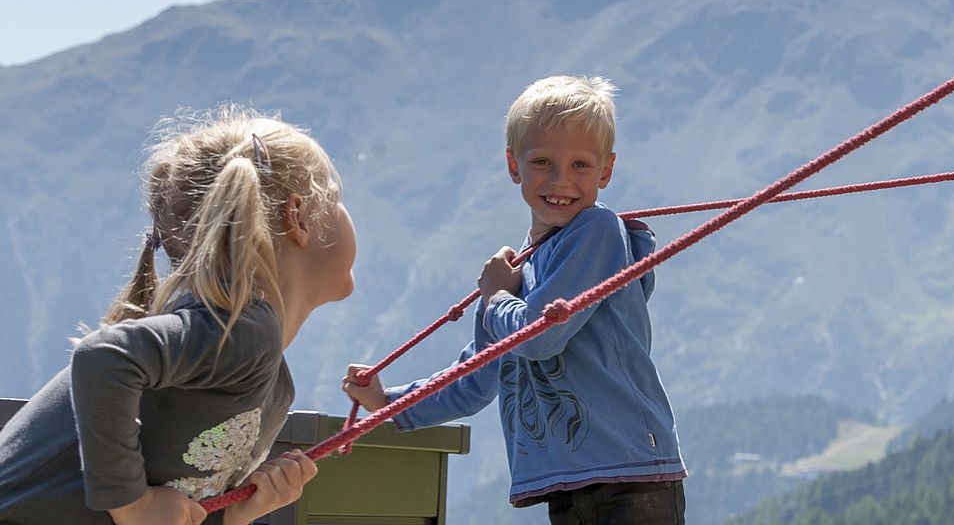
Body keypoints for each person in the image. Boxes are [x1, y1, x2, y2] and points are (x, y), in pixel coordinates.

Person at [344, 75, 685, 524]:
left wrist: (498, 296)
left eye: (581, 165)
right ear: (513, 166)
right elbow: (475, 378)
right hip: (571, 484)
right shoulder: (521, 272)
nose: (561, 180)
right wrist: (389, 400)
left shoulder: (596, 231)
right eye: (542, 162)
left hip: (630, 479)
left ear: (606, 171)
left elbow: (543, 337)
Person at [0, 107, 354, 524]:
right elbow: (103, 356)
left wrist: (238, 514)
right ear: (298, 217)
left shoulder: (271, 383)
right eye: (335, 197)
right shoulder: (241, 334)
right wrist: (131, 504)